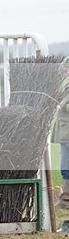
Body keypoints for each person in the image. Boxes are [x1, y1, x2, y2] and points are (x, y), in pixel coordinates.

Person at [52, 56, 69, 208]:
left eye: (67, 68)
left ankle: (65, 200)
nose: (65, 71)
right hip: (65, 134)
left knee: (66, 167)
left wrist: (63, 107)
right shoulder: (67, 87)